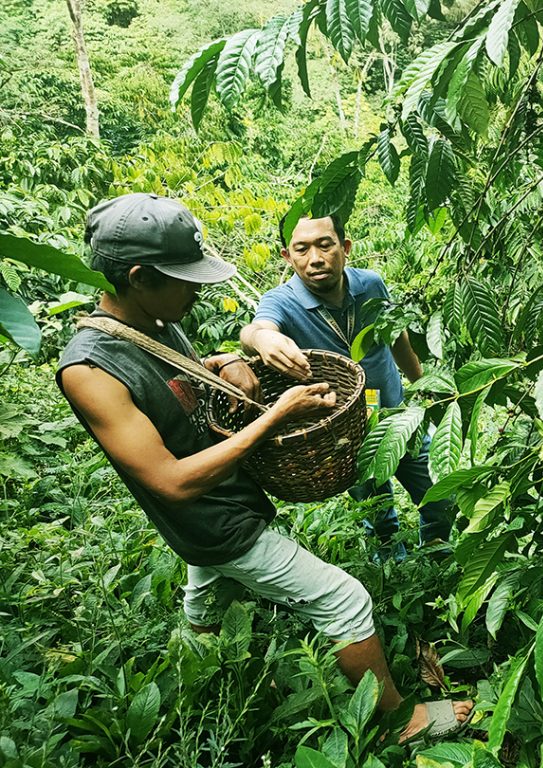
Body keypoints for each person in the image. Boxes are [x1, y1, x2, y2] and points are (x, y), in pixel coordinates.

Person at [57, 193, 472, 741]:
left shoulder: (154, 324)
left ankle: (197, 658)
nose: (196, 290)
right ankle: (400, 720)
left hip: (223, 504)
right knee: (344, 599)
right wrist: (278, 413)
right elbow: (172, 482)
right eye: (184, 278)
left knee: (205, 591)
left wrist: (225, 360)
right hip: (215, 518)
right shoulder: (91, 369)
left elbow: (183, 376)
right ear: (137, 276)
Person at [239, 213, 452, 554]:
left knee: (439, 496)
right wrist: (262, 340)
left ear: (345, 247)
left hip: (399, 417)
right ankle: (392, 568)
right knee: (379, 514)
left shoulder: (371, 285)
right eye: (302, 249)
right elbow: (255, 329)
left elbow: (397, 338)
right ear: (287, 256)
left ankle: (438, 554)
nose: (315, 259)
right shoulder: (282, 301)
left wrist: (425, 385)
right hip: (348, 434)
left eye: (325, 245)